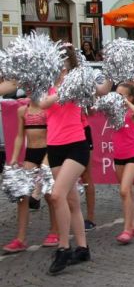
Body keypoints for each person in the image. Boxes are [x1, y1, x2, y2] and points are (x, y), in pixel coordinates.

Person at [39, 45, 91, 274]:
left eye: (62, 63)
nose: (59, 68)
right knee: (71, 201)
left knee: (56, 195)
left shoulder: (78, 83)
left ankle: (63, 248)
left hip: (76, 145)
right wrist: (58, 90)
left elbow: (99, 90)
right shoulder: (46, 85)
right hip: (55, 146)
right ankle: (83, 248)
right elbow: (41, 104)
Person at [3, 99, 59, 253]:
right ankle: (20, 239)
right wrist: (14, 157)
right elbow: (20, 136)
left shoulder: (48, 109)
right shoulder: (22, 111)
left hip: (48, 151)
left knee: (49, 193)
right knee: (22, 195)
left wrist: (49, 157)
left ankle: (55, 231)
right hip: (31, 154)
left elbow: (54, 132)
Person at [111, 83, 134, 244]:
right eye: (116, 94)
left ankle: (127, 229)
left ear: (130, 97)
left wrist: (127, 103)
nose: (118, 97)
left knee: (124, 190)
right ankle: (133, 225)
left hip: (133, 155)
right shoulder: (114, 111)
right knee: (127, 193)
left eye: (122, 95)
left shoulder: (132, 113)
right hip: (118, 156)